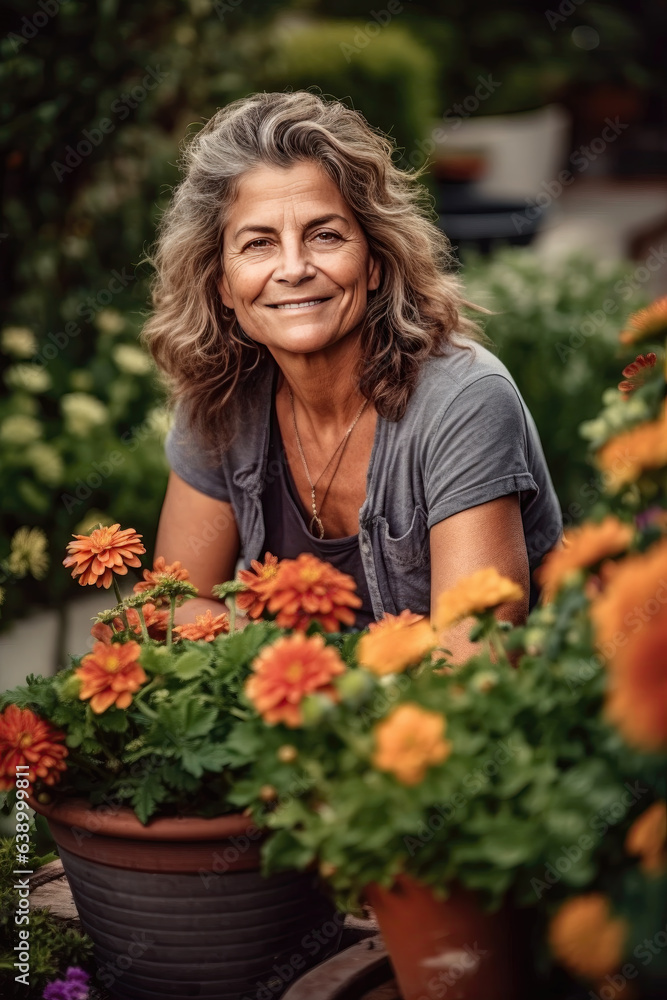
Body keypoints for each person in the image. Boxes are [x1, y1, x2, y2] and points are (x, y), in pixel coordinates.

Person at [144, 91, 562, 663]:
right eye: (258, 243)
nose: (293, 269)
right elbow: (174, 603)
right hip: (291, 723)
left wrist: (299, 673)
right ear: (221, 282)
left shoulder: (465, 402)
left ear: (374, 262)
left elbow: (474, 663)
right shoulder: (219, 395)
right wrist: (295, 671)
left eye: (325, 235)